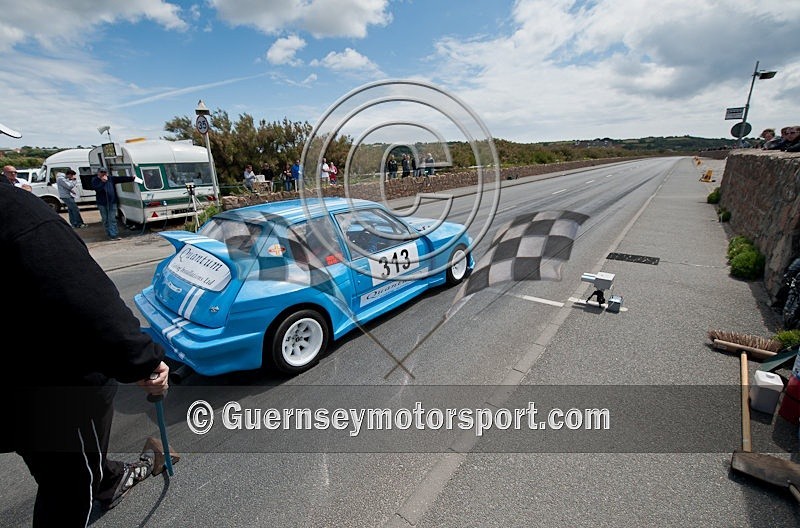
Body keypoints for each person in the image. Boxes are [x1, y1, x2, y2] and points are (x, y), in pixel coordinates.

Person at [0, 178, 170, 524]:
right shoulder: (16, 213)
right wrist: (144, 363)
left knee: (54, 463)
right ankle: (97, 483)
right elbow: (86, 304)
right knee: (68, 488)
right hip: (49, 395)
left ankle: (107, 480)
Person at [91, 167, 134, 241]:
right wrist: (102, 182)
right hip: (102, 203)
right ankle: (109, 234)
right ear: (98, 173)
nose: (104, 174)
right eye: (102, 172)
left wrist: (131, 178)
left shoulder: (110, 178)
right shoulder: (95, 180)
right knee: (105, 219)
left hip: (112, 202)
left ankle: (114, 235)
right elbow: (97, 189)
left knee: (112, 219)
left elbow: (121, 179)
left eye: (105, 172)